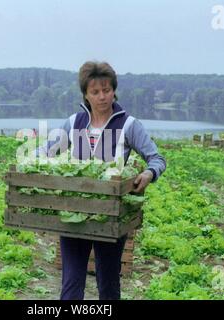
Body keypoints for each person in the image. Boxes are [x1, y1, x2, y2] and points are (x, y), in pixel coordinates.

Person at [37, 61, 166, 300]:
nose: (102, 96)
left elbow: (156, 158)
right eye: (95, 92)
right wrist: (32, 162)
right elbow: (46, 151)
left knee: (107, 282)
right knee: (71, 282)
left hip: (111, 216)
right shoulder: (74, 122)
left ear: (114, 90)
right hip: (74, 214)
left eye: (106, 90)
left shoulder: (128, 124)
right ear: (86, 94)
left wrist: (149, 173)